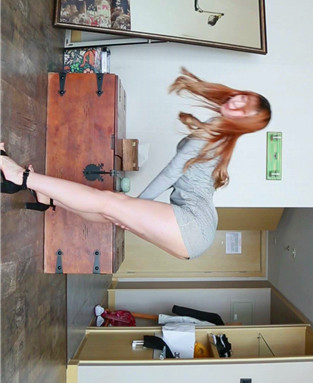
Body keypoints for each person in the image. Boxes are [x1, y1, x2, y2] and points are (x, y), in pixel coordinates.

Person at [1, 67, 271, 260]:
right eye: (243, 97)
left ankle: (18, 175)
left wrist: (135, 204)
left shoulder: (216, 134)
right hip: (195, 230)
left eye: (243, 109)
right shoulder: (220, 132)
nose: (236, 102)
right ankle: (47, 198)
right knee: (112, 211)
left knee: (112, 203)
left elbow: (172, 173)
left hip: (193, 226)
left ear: (244, 123)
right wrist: (130, 208)